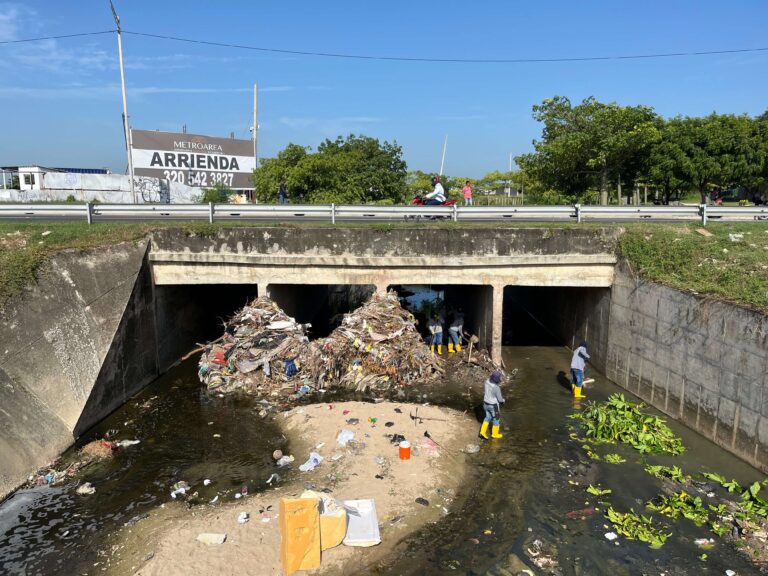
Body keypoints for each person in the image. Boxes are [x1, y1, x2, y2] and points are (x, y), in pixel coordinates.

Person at [480, 370, 504, 439]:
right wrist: (503, 400)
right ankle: (495, 434)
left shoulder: (486, 381)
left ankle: (482, 432)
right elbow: (500, 399)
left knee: (487, 417)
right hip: (493, 405)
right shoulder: (496, 388)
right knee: (496, 419)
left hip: (485, 403)